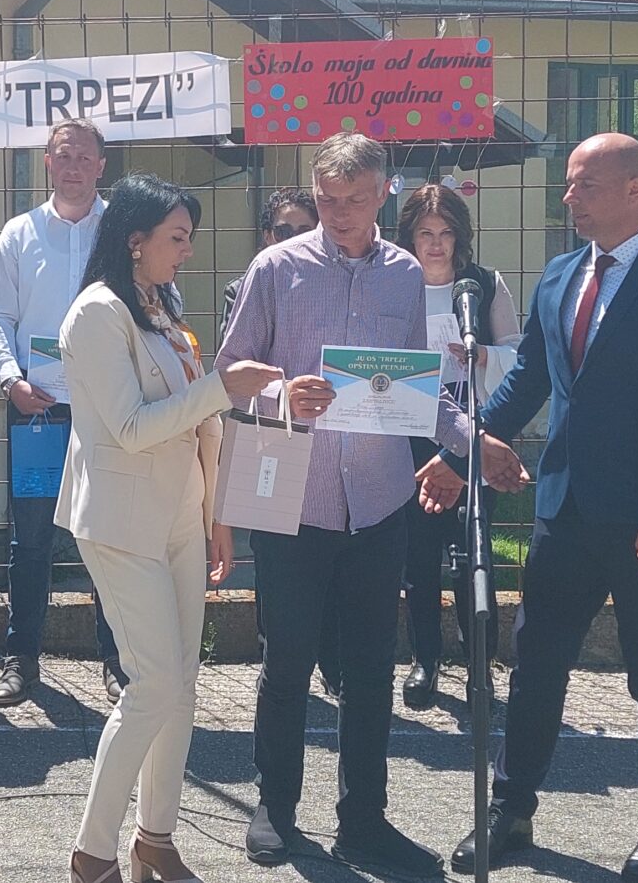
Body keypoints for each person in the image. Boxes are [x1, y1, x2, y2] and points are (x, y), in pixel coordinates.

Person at [426, 133, 638, 882]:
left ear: (635, 189)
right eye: (568, 185)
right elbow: (527, 380)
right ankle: (511, 808)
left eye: (585, 186)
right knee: (535, 664)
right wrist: (463, 453)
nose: (569, 198)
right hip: (564, 513)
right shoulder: (561, 275)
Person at [215, 132, 470, 877]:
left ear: (385, 193)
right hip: (294, 498)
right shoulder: (276, 268)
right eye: (328, 200)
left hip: (380, 501)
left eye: (356, 199)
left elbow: (418, 390)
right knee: (287, 661)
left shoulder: (405, 275)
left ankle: (363, 819)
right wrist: (280, 393)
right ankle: (275, 806)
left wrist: (473, 440)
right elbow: (228, 373)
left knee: (369, 669)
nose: (340, 213)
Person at [57, 175, 284, 883]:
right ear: (136, 240)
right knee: (153, 683)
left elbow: (198, 423)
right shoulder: (97, 313)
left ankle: (155, 839)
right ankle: (92, 854)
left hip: (182, 511)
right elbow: (131, 427)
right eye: (177, 238)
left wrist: (216, 515)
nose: (187, 251)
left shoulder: (160, 305)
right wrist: (222, 387)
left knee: (182, 685)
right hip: (122, 520)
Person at [0, 120, 123, 707]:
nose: (73, 167)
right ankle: (21, 658)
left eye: (84, 157)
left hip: (108, 411)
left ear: (101, 166)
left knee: (108, 537)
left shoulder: (122, 229)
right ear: (47, 161)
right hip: (35, 409)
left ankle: (118, 661)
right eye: (64, 155)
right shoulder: (19, 233)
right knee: (31, 538)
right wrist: (9, 379)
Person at [388, 182, 522, 709]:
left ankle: (479, 661)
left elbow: (517, 354)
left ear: (460, 237)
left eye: (445, 233)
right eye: (425, 233)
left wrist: (481, 355)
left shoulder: (483, 285)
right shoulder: (393, 284)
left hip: (473, 428)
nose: (435, 244)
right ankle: (425, 660)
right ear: (409, 237)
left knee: (472, 551)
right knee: (418, 555)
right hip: (412, 429)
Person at [219, 187, 315, 335]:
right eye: (283, 232)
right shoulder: (240, 290)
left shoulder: (329, 285)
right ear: (267, 236)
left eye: (304, 233)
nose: (294, 241)